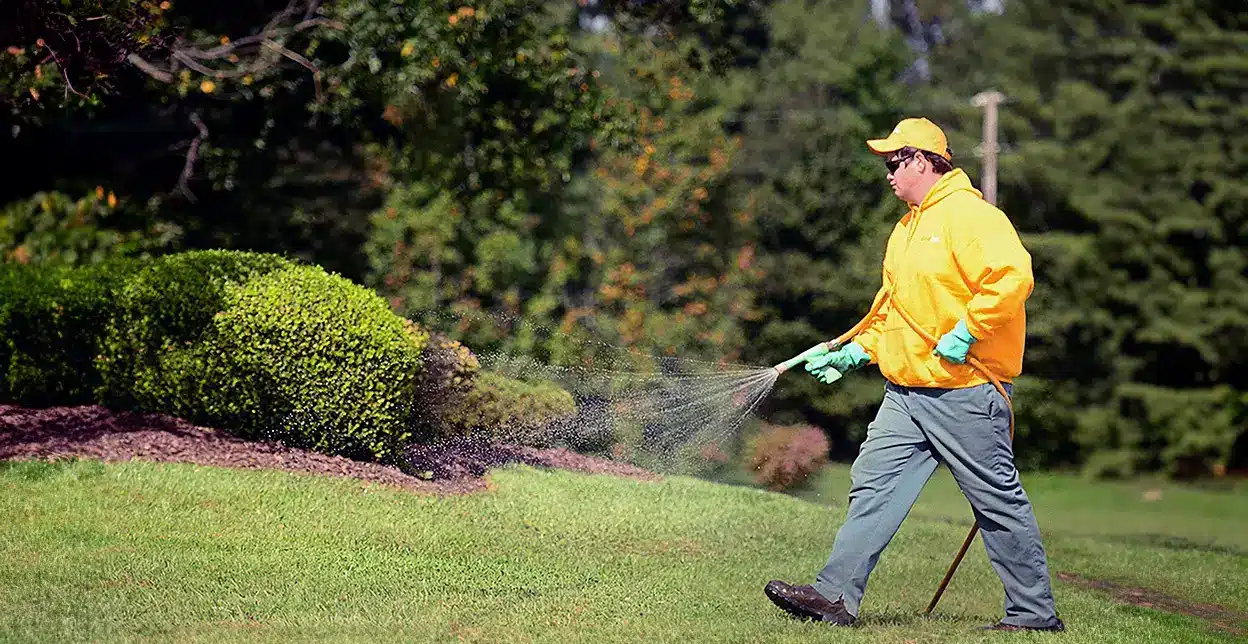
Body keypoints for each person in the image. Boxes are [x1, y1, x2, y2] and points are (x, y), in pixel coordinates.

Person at [762, 117, 1064, 632]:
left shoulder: (972, 217)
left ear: (921, 160)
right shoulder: (906, 228)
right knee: (872, 486)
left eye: (893, 163)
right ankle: (835, 597)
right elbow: (896, 315)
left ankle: (1034, 614)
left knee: (996, 502)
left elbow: (1014, 277)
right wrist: (856, 352)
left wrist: (969, 331)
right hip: (906, 393)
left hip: (965, 392)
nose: (888, 175)